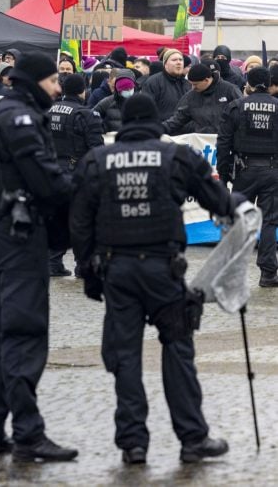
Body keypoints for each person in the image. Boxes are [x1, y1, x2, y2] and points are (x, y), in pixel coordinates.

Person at [71, 94, 239, 465]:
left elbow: (80, 220)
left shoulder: (97, 161)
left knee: (125, 356)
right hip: (163, 270)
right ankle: (193, 438)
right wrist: (239, 207)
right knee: (178, 351)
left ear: (126, 122)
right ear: (153, 121)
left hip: (118, 271)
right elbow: (217, 199)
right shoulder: (175, 156)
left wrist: (87, 268)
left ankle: (133, 444)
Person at [0, 51, 76, 462]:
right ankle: (29, 434)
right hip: (20, 232)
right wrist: (84, 188)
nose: (58, 88)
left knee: (1, 333)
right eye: (53, 81)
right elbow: (46, 181)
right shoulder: (22, 120)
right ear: (34, 82)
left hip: (2, 226)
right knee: (23, 333)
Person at [217, 66, 278, 287]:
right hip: (272, 170)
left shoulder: (235, 107)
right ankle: (269, 273)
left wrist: (223, 176)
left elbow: (223, 144)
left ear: (249, 83)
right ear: (270, 82)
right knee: (269, 221)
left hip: (243, 171)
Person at [47, 73, 104, 276]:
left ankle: (53, 263)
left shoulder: (49, 110)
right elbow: (97, 148)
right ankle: (83, 265)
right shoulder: (86, 114)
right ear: (83, 91)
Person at [163, 60, 241, 135]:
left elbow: (243, 114)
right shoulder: (191, 96)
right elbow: (177, 120)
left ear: (206, 80)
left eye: (195, 84)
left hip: (226, 141)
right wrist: (159, 129)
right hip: (202, 143)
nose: (193, 88)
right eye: (191, 84)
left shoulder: (230, 90)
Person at [140, 49, 188, 121]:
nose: (179, 62)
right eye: (174, 60)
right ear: (165, 64)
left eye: (181, 60)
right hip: (163, 129)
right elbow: (146, 109)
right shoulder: (153, 82)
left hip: (187, 131)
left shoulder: (188, 84)